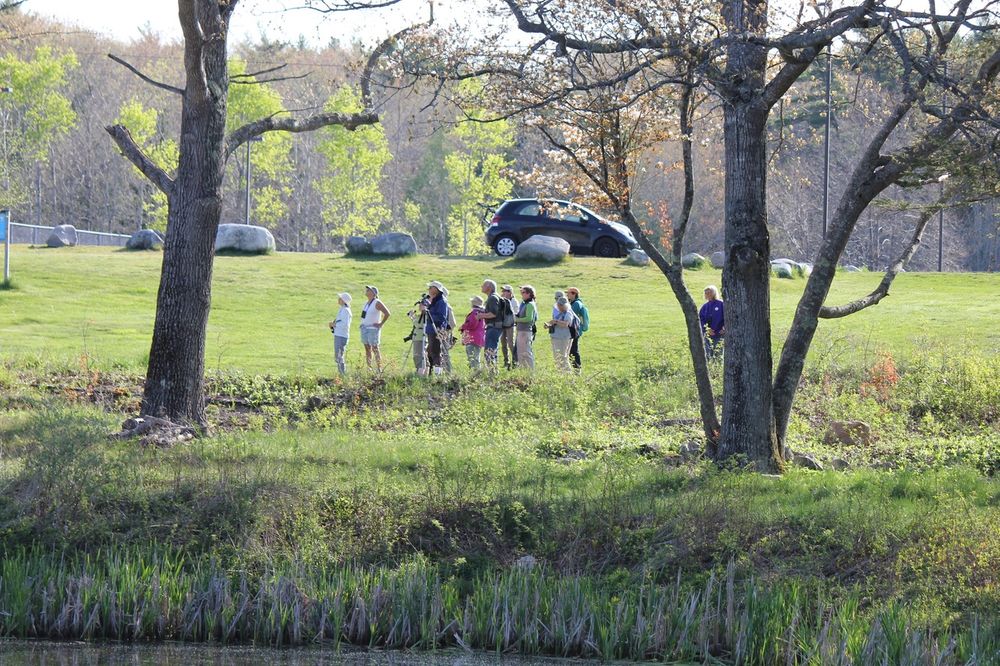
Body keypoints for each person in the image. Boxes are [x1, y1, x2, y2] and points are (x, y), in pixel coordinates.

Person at [359, 285, 390, 372]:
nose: (367, 291)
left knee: (375, 348)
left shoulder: (377, 302)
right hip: (365, 328)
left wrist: (380, 324)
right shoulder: (366, 303)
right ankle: (369, 368)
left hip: (373, 329)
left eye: (369, 290)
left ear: (373, 293)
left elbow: (387, 313)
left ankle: (379, 368)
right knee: (367, 348)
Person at [545, 296, 578, 373]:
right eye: (558, 305)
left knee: (563, 357)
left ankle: (567, 375)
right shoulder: (560, 313)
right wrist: (549, 324)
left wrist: (555, 322)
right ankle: (560, 374)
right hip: (556, 337)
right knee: (557, 357)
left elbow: (566, 324)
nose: (559, 307)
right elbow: (555, 322)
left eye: (560, 305)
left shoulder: (568, 313)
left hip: (563, 338)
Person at [424, 281, 451, 374]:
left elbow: (441, 317)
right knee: (430, 352)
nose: (429, 290)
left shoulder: (441, 301)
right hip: (432, 329)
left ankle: (437, 374)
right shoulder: (436, 300)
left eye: (430, 288)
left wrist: (428, 313)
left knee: (435, 352)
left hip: (437, 330)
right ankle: (432, 373)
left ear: (435, 289)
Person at [477, 279, 503, 372]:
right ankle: (492, 372)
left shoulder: (492, 298)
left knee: (490, 350)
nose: (481, 287)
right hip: (495, 327)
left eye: (483, 285)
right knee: (491, 350)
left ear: (489, 287)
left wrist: (481, 315)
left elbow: (493, 313)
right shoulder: (494, 297)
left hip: (493, 327)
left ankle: (492, 373)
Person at [514, 285, 538, 370]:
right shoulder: (525, 304)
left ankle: (530, 373)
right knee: (520, 353)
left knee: (526, 353)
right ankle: (523, 371)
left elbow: (529, 318)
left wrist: (517, 319)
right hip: (521, 331)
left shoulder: (530, 304)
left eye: (523, 292)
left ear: (529, 294)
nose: (521, 294)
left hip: (525, 331)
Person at [328, 292, 352, 376]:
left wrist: (334, 325)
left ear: (343, 300)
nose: (338, 299)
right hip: (339, 334)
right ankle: (341, 374)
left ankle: (342, 374)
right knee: (338, 356)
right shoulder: (343, 309)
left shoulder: (345, 311)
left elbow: (345, 324)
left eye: (340, 298)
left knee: (339, 356)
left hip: (341, 335)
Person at [566, 287, 590, 371]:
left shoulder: (576, 304)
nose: (567, 295)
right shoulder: (574, 303)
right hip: (574, 330)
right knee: (571, 350)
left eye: (568, 293)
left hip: (575, 330)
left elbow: (570, 315)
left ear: (573, 294)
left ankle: (577, 369)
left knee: (573, 350)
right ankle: (575, 368)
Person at [461, 296, 487, 370]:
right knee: (476, 357)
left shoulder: (474, 313)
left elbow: (472, 325)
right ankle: (477, 372)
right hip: (479, 337)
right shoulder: (482, 312)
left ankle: (475, 373)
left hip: (473, 338)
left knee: (472, 358)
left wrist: (463, 327)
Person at [699, 284, 725, 360]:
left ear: (714, 293)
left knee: (718, 355)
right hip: (708, 335)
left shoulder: (721, 304)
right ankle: (710, 371)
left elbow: (727, 318)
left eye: (709, 292)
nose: (707, 294)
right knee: (708, 355)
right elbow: (701, 319)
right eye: (706, 293)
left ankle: (717, 371)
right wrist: (707, 329)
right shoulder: (705, 306)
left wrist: (724, 328)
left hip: (719, 334)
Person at [406, 297, 429, 375]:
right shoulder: (421, 315)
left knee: (418, 356)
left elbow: (419, 324)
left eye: (421, 305)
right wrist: (413, 317)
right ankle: (424, 373)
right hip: (419, 337)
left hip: (420, 338)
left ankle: (420, 373)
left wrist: (412, 316)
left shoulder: (426, 315)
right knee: (423, 356)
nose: (419, 306)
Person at [499, 284, 519, 369]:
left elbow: (515, 313)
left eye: (504, 291)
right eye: (502, 291)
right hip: (503, 324)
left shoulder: (514, 302)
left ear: (510, 292)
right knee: (503, 343)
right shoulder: (501, 300)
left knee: (511, 343)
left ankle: (515, 361)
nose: (503, 292)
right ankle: (506, 361)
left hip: (510, 325)